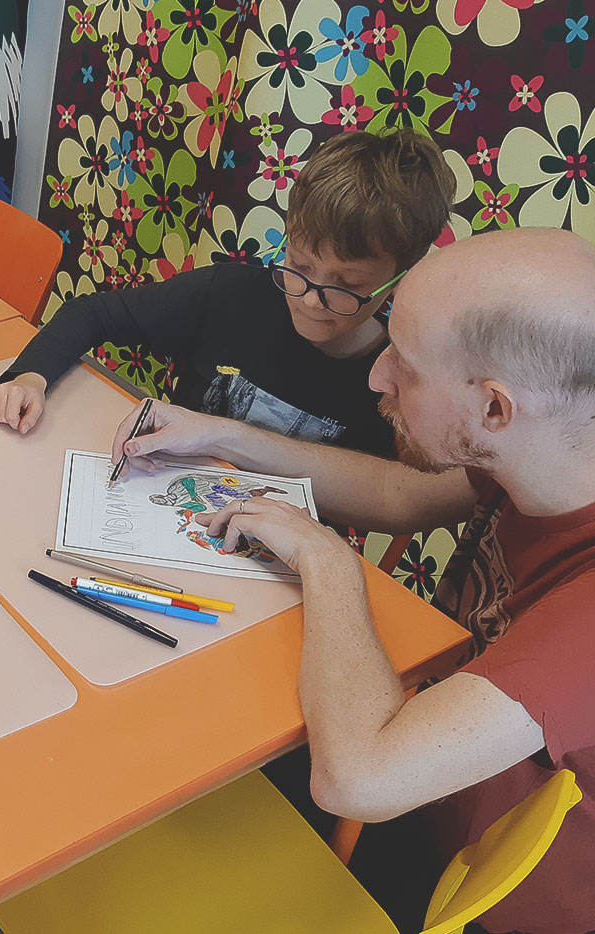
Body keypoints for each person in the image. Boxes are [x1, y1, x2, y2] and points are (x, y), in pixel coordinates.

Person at [106, 228, 595, 934]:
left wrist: (328, 559)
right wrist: (222, 435)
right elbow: (402, 496)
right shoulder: (549, 451)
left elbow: (356, 781)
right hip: (418, 769)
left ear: (495, 408)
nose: (376, 378)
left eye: (407, 366)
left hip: (455, 881)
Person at [0, 129, 456, 457]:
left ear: (400, 280)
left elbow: (391, 496)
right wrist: (31, 376)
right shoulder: (230, 295)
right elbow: (93, 314)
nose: (311, 300)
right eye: (299, 266)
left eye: (347, 287)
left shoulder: (393, 385)